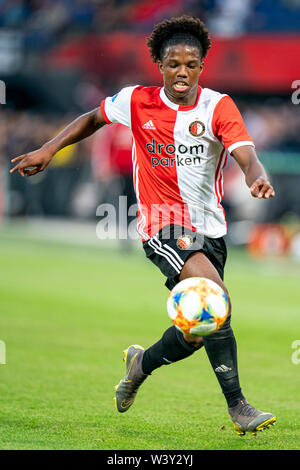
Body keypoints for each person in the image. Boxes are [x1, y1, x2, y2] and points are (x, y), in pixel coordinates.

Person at [10, 15, 276, 436]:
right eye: (173, 64)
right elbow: (92, 117)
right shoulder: (136, 100)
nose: (182, 72)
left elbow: (245, 151)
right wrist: (49, 147)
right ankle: (239, 406)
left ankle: (141, 364)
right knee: (214, 299)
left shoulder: (218, 106)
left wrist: (255, 175)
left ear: (202, 65)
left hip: (211, 229)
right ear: (160, 64)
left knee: (196, 329)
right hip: (162, 223)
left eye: (191, 64)